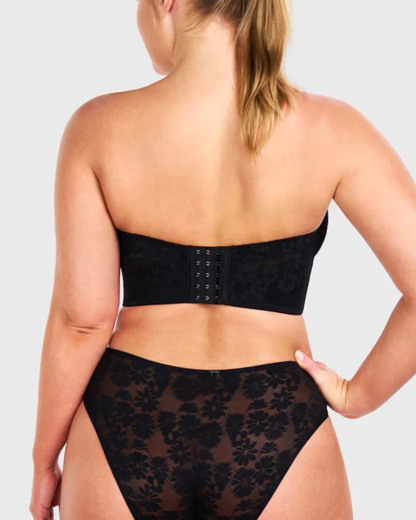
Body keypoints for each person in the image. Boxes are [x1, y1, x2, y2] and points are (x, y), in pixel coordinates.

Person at [30, 0, 416, 519]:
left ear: (166, 1)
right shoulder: (333, 129)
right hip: (276, 417)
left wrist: (44, 459)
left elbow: (82, 322)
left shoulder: (98, 127)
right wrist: (356, 395)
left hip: (127, 414)